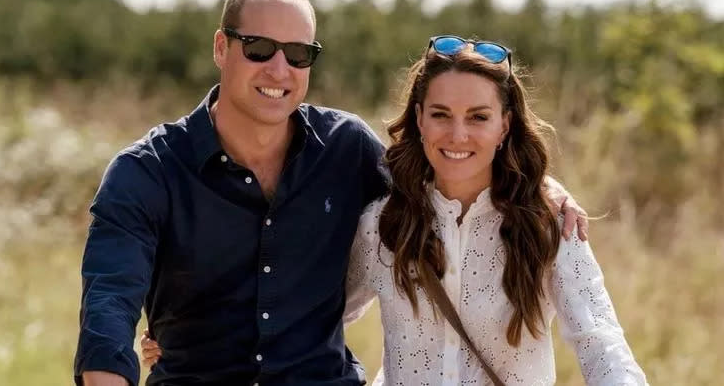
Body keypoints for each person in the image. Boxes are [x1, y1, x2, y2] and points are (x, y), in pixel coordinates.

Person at [75, 0, 587, 386]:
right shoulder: (147, 173)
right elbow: (108, 308)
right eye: (259, 48)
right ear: (220, 47)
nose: (279, 69)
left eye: (298, 54)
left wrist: (538, 187)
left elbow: (446, 175)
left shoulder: (346, 150)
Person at [144, 35, 646, 384]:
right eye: (441, 115)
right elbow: (302, 313)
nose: (458, 135)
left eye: (478, 117)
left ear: (505, 125)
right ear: (419, 121)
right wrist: (196, 338)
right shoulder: (384, 222)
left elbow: (601, 343)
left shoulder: (549, 223)